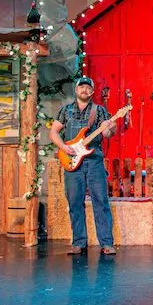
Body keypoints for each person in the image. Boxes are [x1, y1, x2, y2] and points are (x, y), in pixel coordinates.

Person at [50, 76, 118, 255]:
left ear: (92, 91)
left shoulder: (100, 111)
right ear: (76, 90)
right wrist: (64, 147)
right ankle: (79, 242)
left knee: (101, 202)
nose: (85, 90)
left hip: (94, 160)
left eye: (88, 88)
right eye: (82, 87)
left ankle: (107, 243)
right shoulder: (66, 111)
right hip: (72, 161)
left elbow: (110, 134)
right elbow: (53, 132)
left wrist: (108, 127)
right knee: (74, 202)